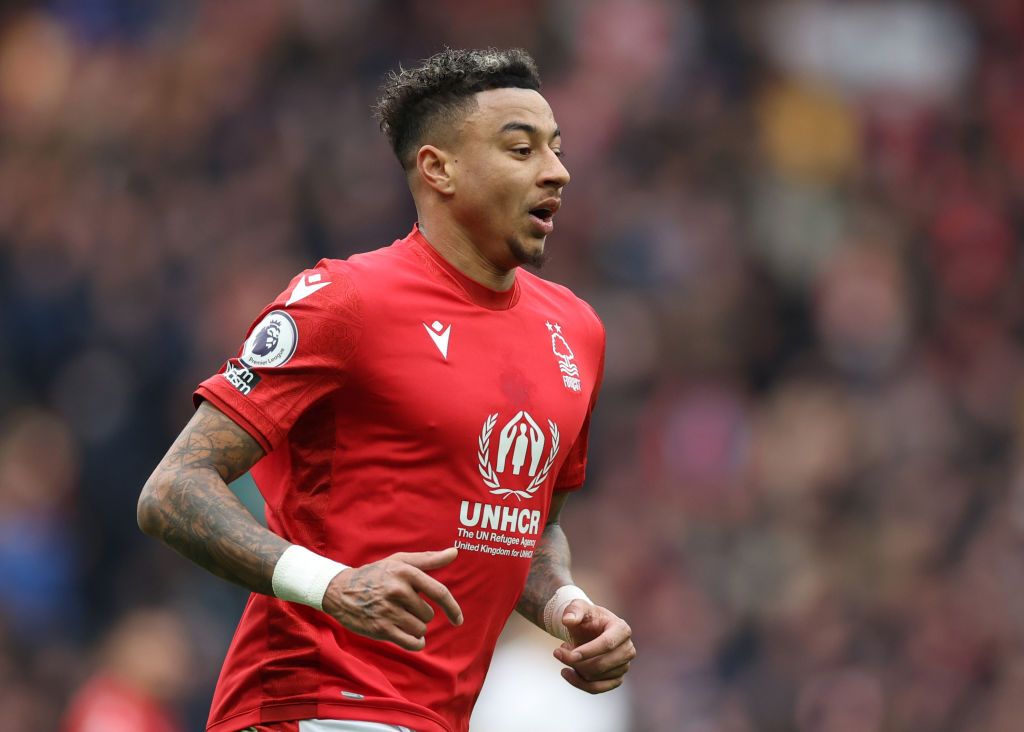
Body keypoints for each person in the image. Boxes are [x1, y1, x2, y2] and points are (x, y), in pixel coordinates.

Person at [137, 47, 635, 732]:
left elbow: (531, 521)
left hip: (439, 718)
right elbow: (172, 490)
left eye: (556, 148)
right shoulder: (347, 301)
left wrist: (566, 607)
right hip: (310, 705)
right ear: (439, 168)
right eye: (521, 150)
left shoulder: (575, 330)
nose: (557, 170)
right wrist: (333, 585)